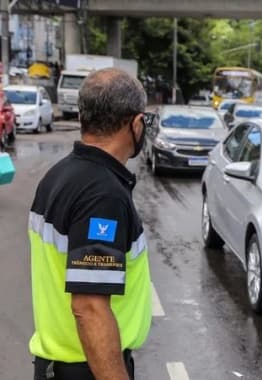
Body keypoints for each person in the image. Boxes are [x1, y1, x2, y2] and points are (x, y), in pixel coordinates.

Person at [29, 68, 153, 380]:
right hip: (88, 369)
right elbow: (90, 308)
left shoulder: (59, 175)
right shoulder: (103, 196)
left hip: (57, 364)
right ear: (135, 124)